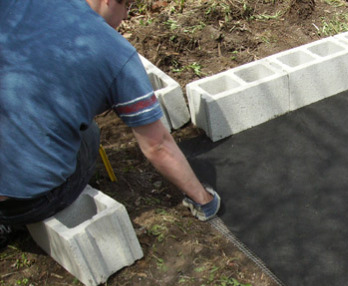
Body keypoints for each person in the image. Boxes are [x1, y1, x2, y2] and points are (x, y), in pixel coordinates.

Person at [0, 0, 220, 249]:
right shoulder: (115, 54)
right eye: (127, 7)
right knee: (91, 135)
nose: (126, 16)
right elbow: (158, 146)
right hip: (23, 204)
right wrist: (204, 200)